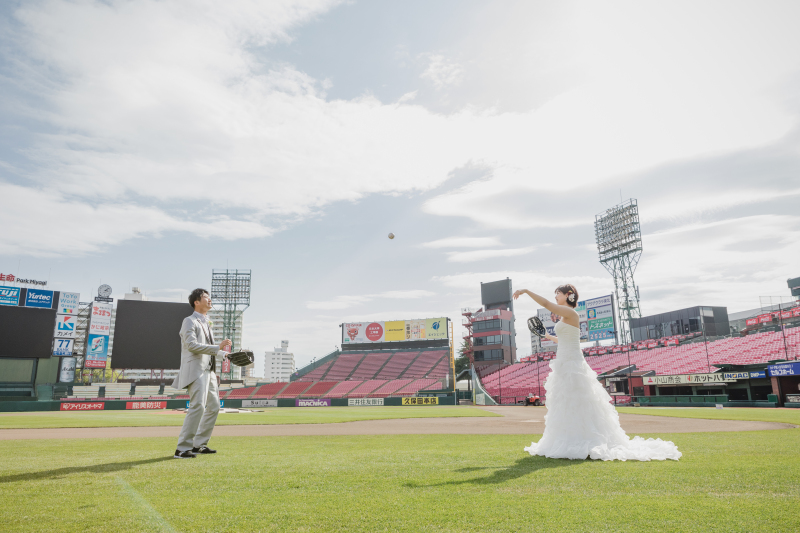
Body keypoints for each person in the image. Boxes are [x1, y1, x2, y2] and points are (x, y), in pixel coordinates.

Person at [514, 284, 681, 461]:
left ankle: (585, 439)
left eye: (558, 293)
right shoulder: (565, 317)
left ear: (568, 295)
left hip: (572, 363)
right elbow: (563, 339)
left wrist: (526, 291)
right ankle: (571, 438)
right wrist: (547, 336)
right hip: (564, 361)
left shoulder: (571, 313)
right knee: (567, 402)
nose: (555, 296)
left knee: (577, 401)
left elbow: (547, 304)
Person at [172, 288, 231, 459]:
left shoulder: (206, 323)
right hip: (196, 370)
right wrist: (217, 347)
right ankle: (182, 449)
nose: (209, 300)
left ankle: (199, 444)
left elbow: (209, 350)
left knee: (214, 407)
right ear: (196, 302)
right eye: (206, 297)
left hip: (210, 371)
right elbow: (191, 345)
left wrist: (225, 354)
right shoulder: (189, 321)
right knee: (198, 406)